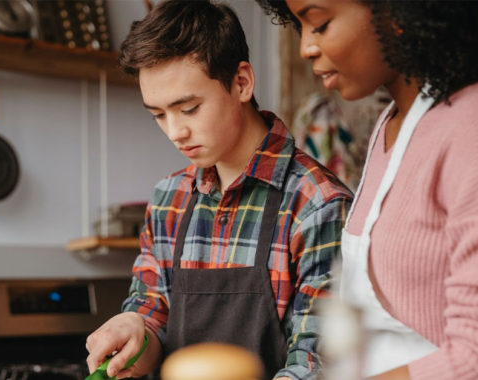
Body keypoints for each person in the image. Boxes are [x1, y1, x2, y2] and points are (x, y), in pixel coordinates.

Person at [84, 1, 353, 379]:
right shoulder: (168, 199)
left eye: (189, 108)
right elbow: (153, 316)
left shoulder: (318, 204)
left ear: (241, 83)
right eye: (159, 115)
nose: (175, 132)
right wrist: (135, 329)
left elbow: (318, 364)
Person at [255, 0, 478, 379]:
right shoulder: (389, 125)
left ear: (396, 13)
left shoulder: (471, 126)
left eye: (320, 24)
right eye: (300, 28)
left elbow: (475, 357)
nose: (305, 48)